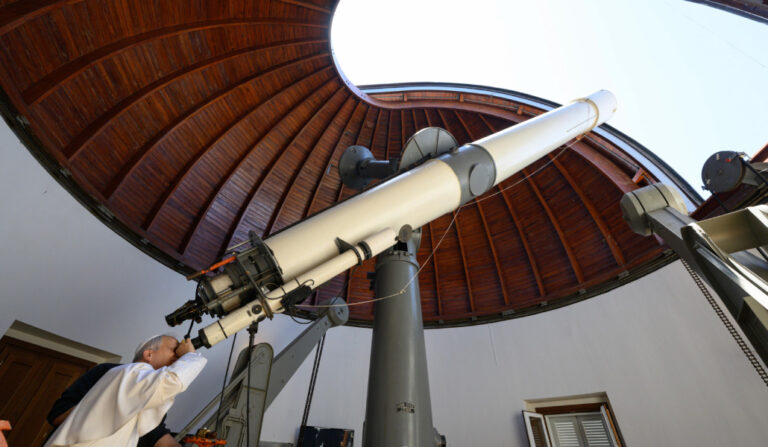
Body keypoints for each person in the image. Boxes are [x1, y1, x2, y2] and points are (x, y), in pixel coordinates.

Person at [44, 334, 206, 447]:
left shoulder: (147, 392)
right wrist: (190, 356)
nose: (178, 356)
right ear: (149, 354)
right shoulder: (127, 372)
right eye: (174, 350)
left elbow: (153, 434)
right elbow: (173, 381)